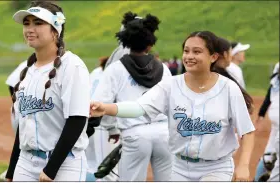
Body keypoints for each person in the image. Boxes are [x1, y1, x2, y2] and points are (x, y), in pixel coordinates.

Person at [90, 31, 255, 181]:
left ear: (213, 57)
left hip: (216, 168)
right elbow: (139, 108)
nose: (189, 56)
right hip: (180, 168)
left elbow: (247, 131)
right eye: (186, 51)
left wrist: (244, 165)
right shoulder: (171, 85)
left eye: (197, 52)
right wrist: (106, 108)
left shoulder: (228, 88)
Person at [5, 1, 90, 181]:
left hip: (65, 164)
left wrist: (51, 170)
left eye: (38, 23)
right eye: (26, 23)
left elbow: (77, 120)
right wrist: (12, 171)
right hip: (26, 163)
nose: (29, 28)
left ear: (55, 30)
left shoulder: (72, 66)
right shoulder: (27, 70)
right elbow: (22, 126)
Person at [92, 14, 172, 181]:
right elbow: (173, 102)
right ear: (150, 44)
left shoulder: (116, 68)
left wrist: (111, 128)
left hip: (134, 134)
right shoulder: (163, 68)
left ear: (125, 41)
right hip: (164, 133)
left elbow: (101, 103)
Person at [85, 56, 120, 182]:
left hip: (87, 123)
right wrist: (113, 129)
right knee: (108, 172)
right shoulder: (112, 76)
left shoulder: (95, 73)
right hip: (103, 125)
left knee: (89, 166)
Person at [254, 62, 279, 181]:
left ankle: (257, 179)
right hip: (277, 123)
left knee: (268, 157)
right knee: (272, 158)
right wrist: (260, 115)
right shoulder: (275, 83)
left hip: (275, 122)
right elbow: (268, 99)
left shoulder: (275, 82)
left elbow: (267, 99)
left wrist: (261, 115)